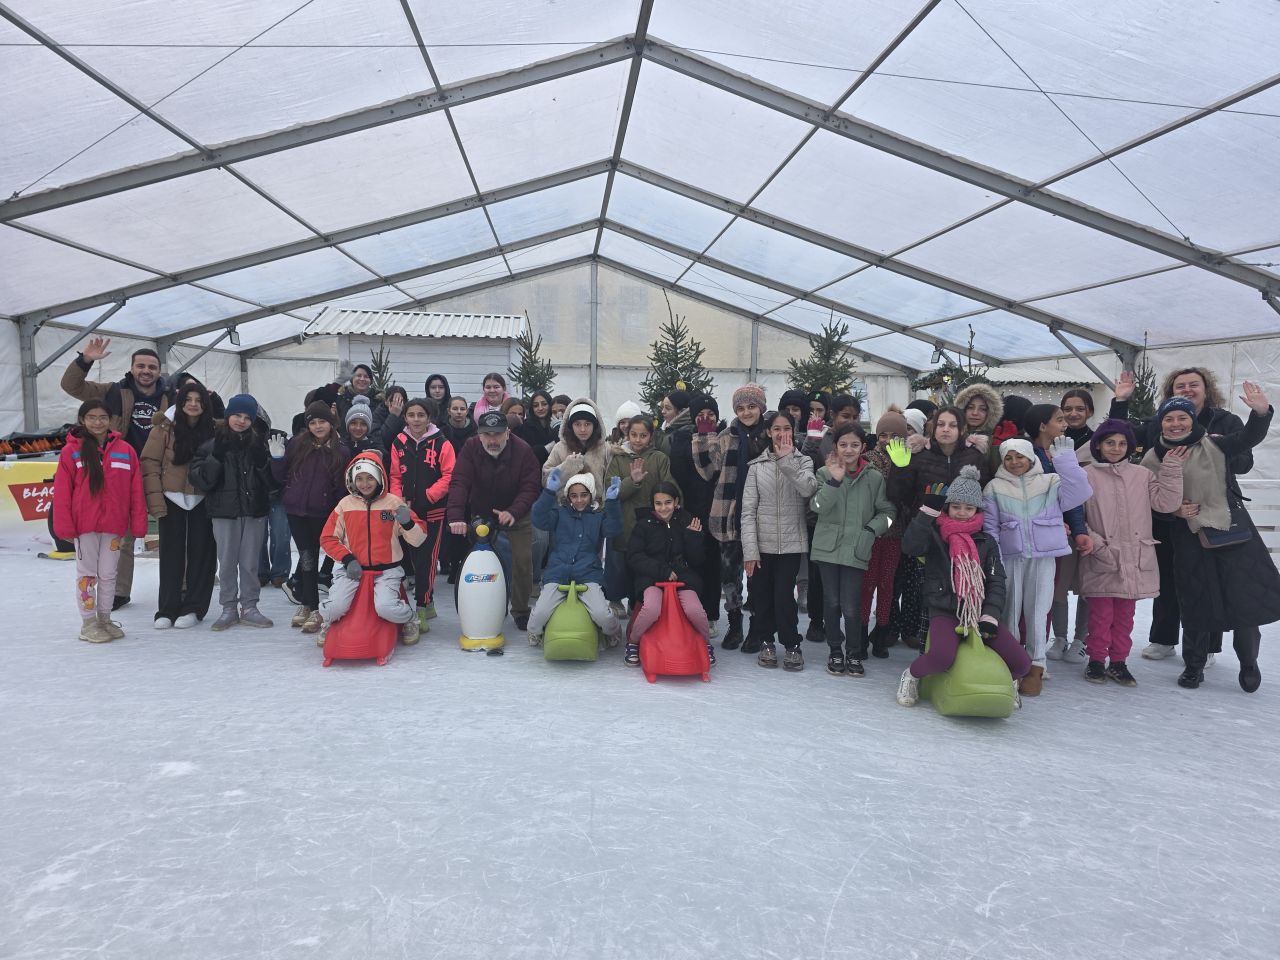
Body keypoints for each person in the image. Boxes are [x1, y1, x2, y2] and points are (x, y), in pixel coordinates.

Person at [1139, 388, 1278, 692]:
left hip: (1230, 531)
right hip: (1188, 536)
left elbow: (1247, 440)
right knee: (1195, 601)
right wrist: (1175, 510)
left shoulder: (1214, 444)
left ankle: (1249, 661)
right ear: (1161, 423)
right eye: (1169, 418)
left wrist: (1260, 413)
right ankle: (1194, 665)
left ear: (1191, 420)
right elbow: (1148, 499)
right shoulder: (1152, 458)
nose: (1176, 423)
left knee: (1243, 600)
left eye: (1182, 417)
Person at [1111, 367, 1254, 662]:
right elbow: (1121, 436)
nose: (1187, 389)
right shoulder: (1160, 421)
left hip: (1210, 513)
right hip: (1168, 514)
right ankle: (1163, 638)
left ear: (1207, 388)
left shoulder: (1225, 421)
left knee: (1209, 581)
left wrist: (1220, 449)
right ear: (1171, 392)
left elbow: (1245, 463)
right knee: (1169, 574)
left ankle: (1208, 644)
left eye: (1193, 384)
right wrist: (1121, 402)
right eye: (1180, 385)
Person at [895, 466, 1031, 706]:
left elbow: (997, 580)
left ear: (977, 510)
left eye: (968, 508)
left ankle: (1009, 685)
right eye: (956, 506)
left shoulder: (986, 542)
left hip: (979, 611)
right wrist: (926, 513)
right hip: (945, 610)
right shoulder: (935, 536)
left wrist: (990, 614)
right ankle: (911, 676)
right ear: (947, 507)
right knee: (941, 657)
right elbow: (910, 546)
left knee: (1021, 662)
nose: (961, 513)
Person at [60, 336, 168, 610]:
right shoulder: (112, 391)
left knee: (173, 531)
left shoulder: (171, 396)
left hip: (161, 472)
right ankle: (118, 592)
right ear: (132, 368)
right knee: (124, 535)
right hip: (122, 472)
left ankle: (180, 587)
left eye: (152, 367)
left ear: (159, 371)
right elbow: (71, 386)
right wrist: (85, 360)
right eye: (141, 365)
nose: (146, 371)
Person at [1078, 419, 1186, 685]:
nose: (1116, 448)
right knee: (1100, 617)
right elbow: (1076, 517)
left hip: (1135, 559)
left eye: (1122, 443)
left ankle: (1118, 662)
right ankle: (1095, 660)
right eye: (1110, 442)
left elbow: (1165, 503)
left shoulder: (1143, 475)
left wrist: (1171, 468)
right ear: (1099, 446)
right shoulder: (1086, 475)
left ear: (1130, 447)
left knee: (1125, 618)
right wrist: (1096, 543)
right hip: (1102, 556)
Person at [981, 436, 1092, 695]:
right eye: (1008, 457)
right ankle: (1009, 662)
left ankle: (1035, 665)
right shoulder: (994, 487)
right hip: (1010, 557)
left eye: (1020, 456)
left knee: (1038, 611)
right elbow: (990, 526)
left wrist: (1065, 462)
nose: (1014, 462)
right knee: (1009, 610)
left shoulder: (1050, 482)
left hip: (1043, 557)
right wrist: (994, 558)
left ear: (1031, 457)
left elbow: (1080, 493)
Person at [888, 405, 990, 649]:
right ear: (932, 428)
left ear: (962, 429)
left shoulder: (973, 456)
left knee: (956, 585)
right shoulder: (920, 454)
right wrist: (900, 467)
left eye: (952, 425)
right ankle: (914, 631)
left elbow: (982, 492)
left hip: (961, 532)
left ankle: (958, 633)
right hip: (927, 530)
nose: (946, 430)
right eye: (941, 424)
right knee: (919, 584)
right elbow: (897, 494)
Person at [53, 400, 147, 643]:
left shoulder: (125, 451)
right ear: (82, 420)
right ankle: (88, 622)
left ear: (111, 420)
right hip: (84, 527)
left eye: (102, 417)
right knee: (87, 575)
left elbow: (135, 490)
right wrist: (64, 526)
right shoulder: (71, 452)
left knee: (108, 573)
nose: (98, 422)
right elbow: (62, 492)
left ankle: (104, 618)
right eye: (92, 417)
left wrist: (137, 523)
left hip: (114, 527)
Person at [810, 423, 895, 677]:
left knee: (850, 605)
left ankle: (854, 652)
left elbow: (888, 514)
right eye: (843, 444)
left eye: (854, 445)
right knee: (832, 601)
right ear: (835, 447)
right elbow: (816, 506)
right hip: (828, 548)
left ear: (863, 447)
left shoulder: (874, 478)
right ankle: (835, 649)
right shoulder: (825, 473)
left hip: (857, 549)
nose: (849, 450)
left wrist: (871, 531)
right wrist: (835, 482)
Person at [691, 383, 771, 651]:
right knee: (730, 576)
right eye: (740, 407)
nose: (746, 412)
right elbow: (707, 471)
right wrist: (703, 439)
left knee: (759, 576)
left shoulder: (770, 435)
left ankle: (758, 629)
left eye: (751, 406)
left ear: (761, 407)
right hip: (728, 517)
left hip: (762, 518)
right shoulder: (726, 436)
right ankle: (735, 625)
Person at [446, 411, 542, 631]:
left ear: (507, 433)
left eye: (497, 434)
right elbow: (459, 482)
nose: (492, 440)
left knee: (522, 561)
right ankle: (482, 606)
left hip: (516, 514)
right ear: (479, 435)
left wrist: (514, 511)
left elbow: (530, 486)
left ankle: (520, 610)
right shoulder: (470, 448)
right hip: (482, 515)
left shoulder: (524, 451)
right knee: (478, 565)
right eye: (487, 434)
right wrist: (456, 517)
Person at [189, 394, 277, 631]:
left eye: (247, 417)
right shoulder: (211, 444)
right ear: (228, 415)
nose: (241, 421)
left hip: (254, 511)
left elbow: (273, 482)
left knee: (250, 563)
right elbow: (201, 480)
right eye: (237, 415)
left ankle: (250, 606)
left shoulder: (259, 444)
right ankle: (228, 607)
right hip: (224, 512)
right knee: (227, 561)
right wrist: (215, 458)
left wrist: (265, 462)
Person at [318, 452, 426, 646]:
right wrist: (347, 559)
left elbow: (418, 540)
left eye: (370, 478)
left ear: (379, 478)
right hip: (351, 570)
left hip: (386, 571)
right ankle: (328, 622)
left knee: (385, 608)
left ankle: (410, 618)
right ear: (352, 479)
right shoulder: (345, 505)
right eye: (359, 478)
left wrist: (408, 523)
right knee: (333, 608)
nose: (364, 483)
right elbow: (328, 538)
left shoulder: (393, 503)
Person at [741, 410, 820, 670]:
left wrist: (787, 461)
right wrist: (750, 550)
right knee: (761, 595)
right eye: (776, 429)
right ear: (768, 432)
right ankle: (766, 640)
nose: (781, 433)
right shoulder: (756, 467)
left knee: (784, 596)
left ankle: (791, 643)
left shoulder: (804, 461)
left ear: (793, 431)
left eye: (786, 428)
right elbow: (748, 511)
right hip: (762, 545)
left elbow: (808, 489)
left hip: (791, 544)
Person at [140, 380, 216, 629]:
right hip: (171, 499)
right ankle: (167, 608)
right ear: (180, 402)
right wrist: (156, 502)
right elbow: (150, 464)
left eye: (198, 401)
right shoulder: (163, 429)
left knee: (201, 555)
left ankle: (194, 606)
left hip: (202, 501)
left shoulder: (214, 430)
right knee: (171, 555)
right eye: (188, 400)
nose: (193, 405)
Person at [273, 401, 351, 634]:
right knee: (307, 557)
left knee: (324, 556)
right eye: (313, 422)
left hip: (323, 513)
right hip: (297, 511)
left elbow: (341, 486)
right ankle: (310, 605)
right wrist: (276, 460)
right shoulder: (297, 444)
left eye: (322, 421)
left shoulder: (341, 450)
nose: (318, 426)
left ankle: (317, 605)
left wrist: (338, 512)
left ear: (331, 422)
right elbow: (280, 477)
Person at [1023, 403, 1092, 664]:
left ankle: (1055, 642)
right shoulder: (1027, 454)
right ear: (1043, 425)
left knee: (1056, 589)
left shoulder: (1061, 452)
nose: (1065, 425)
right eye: (1059, 420)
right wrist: (1050, 521)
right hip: (1036, 534)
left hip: (1060, 536)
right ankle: (1032, 644)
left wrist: (1079, 529)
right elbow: (1028, 497)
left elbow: (1072, 497)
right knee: (1036, 592)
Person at [527, 469, 623, 649]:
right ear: (568, 497)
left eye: (584, 495)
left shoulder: (597, 517)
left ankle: (613, 630)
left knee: (602, 615)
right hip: (557, 572)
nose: (579, 500)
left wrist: (613, 503)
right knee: (539, 614)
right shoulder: (559, 514)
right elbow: (538, 519)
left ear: (591, 495)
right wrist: (548, 492)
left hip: (587, 573)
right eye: (574, 496)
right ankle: (536, 631)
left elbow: (613, 529)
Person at [626, 481, 715, 667]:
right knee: (651, 608)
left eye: (668, 502)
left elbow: (697, 560)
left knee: (695, 610)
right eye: (658, 503)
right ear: (653, 504)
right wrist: (662, 571)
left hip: (682, 577)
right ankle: (633, 642)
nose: (663, 508)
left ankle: (704, 643)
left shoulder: (686, 520)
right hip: (651, 577)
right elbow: (635, 556)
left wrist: (693, 538)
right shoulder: (643, 525)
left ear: (676, 502)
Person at [389, 397, 456, 631]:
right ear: (405, 417)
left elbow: (449, 475)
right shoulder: (399, 442)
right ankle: (427, 602)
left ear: (429, 418)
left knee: (427, 559)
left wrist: (428, 496)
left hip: (433, 511)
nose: (416, 419)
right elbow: (395, 476)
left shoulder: (441, 443)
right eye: (411, 415)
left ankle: (422, 605)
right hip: (407, 512)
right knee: (413, 558)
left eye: (421, 415)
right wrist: (397, 502)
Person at [603, 415, 676, 618]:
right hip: (623, 520)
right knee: (618, 562)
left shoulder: (659, 459)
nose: (637, 440)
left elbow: (669, 487)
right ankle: (615, 597)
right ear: (628, 434)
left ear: (650, 437)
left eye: (643, 435)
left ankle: (637, 600)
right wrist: (632, 482)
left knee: (643, 563)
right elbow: (612, 491)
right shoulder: (618, 458)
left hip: (650, 523)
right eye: (634, 435)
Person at [665, 393, 722, 636]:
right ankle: (686, 610)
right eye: (701, 415)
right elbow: (678, 472)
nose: (706, 419)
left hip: (717, 511)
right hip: (689, 510)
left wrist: (710, 440)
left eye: (711, 415)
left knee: (712, 564)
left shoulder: (723, 439)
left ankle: (709, 614)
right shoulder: (681, 438)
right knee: (689, 562)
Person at [1051, 388, 1099, 661]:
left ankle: (1082, 638)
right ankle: (1059, 636)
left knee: (1087, 585)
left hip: (1091, 521)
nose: (1073, 413)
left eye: (1079, 408)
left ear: (1089, 411)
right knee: (1060, 582)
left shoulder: (1098, 442)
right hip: (1060, 522)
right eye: (1067, 409)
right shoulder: (1055, 441)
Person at [861, 411, 911, 656]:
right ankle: (860, 630)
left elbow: (906, 492)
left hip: (896, 533)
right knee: (867, 583)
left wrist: (903, 467)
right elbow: (874, 490)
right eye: (883, 434)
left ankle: (882, 629)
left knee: (887, 584)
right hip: (872, 531)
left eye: (894, 435)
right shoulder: (869, 458)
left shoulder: (908, 459)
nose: (888, 439)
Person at [543, 399, 611, 492]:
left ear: (594, 426)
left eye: (587, 424)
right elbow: (545, 480)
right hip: (565, 505)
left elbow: (610, 482)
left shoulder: (605, 449)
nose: (582, 429)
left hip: (597, 505)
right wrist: (566, 468)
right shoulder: (560, 448)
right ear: (571, 426)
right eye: (577, 424)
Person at [656, 389, 691, 454]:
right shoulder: (665, 430)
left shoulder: (685, 435)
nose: (663, 411)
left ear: (681, 412)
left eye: (668, 408)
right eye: (662, 407)